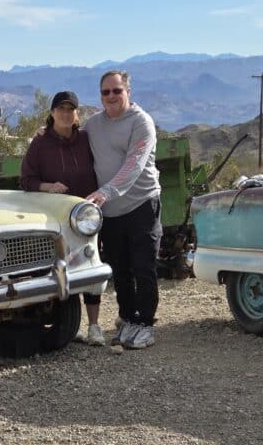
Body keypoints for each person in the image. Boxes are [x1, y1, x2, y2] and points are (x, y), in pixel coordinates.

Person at [20, 91, 105, 346]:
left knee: (91, 267)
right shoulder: (40, 144)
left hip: (87, 216)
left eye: (71, 109)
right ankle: (71, 326)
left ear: (77, 113)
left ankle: (95, 326)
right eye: (61, 109)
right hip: (55, 219)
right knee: (63, 268)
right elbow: (26, 180)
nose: (66, 114)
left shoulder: (87, 140)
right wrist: (48, 186)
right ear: (52, 113)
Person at [84, 70, 162, 350]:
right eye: (105, 92)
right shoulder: (94, 124)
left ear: (128, 91)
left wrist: (105, 192)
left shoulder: (141, 123)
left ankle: (146, 324)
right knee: (120, 270)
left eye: (117, 91)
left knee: (144, 267)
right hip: (111, 212)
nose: (111, 97)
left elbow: (134, 165)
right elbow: (72, 142)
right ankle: (128, 318)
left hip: (141, 205)